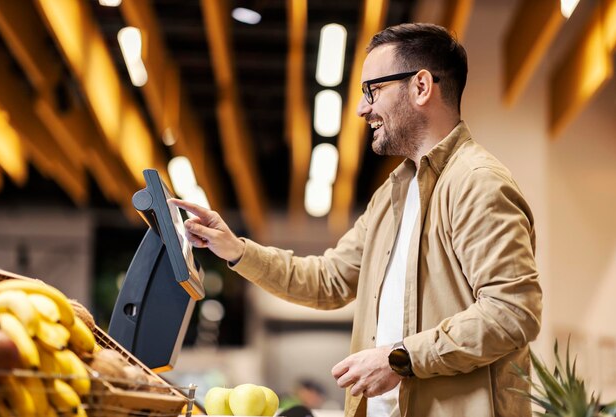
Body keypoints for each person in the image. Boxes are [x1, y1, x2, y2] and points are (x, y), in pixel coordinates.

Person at [172, 22, 542, 417]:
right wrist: (235, 249)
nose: (363, 108)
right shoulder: (391, 195)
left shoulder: (477, 183)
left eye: (373, 90)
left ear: (421, 87)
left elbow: (512, 312)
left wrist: (399, 359)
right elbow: (329, 280)